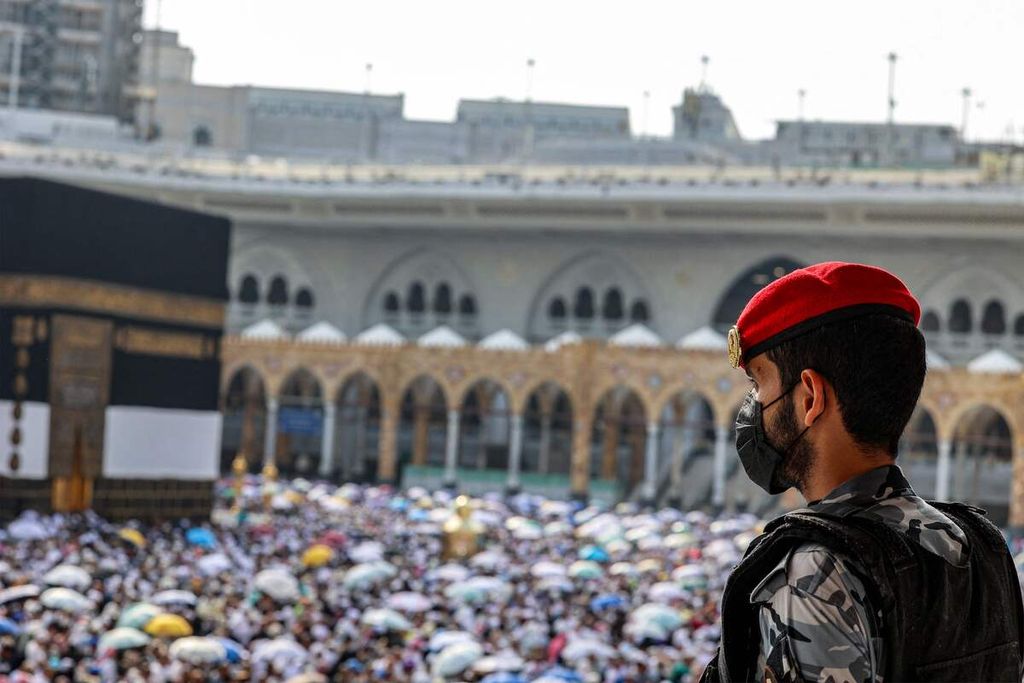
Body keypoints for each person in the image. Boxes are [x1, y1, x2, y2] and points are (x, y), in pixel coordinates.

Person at [701, 262, 1024, 683]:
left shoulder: (815, 573)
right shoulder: (982, 545)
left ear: (810, 397)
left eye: (759, 384)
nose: (752, 407)